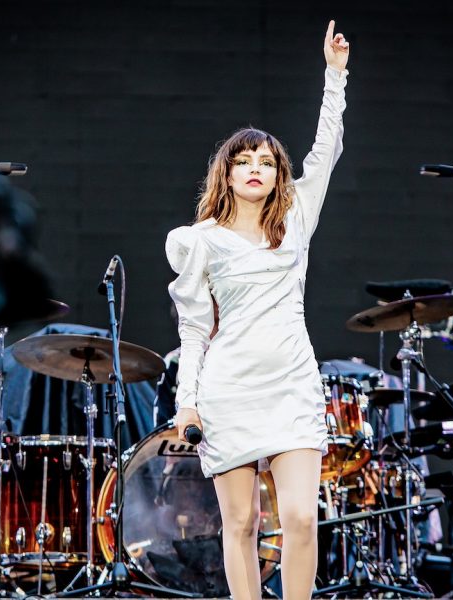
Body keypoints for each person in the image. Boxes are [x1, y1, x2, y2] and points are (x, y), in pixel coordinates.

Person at [165, 20, 350, 600]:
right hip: (229, 390)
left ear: (277, 175)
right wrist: (186, 401)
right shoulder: (203, 240)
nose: (255, 167)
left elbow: (326, 151)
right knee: (241, 523)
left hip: (291, 382)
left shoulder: (296, 220)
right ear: (227, 171)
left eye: (266, 162)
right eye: (244, 159)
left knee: (299, 518)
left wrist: (335, 76)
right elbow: (194, 329)